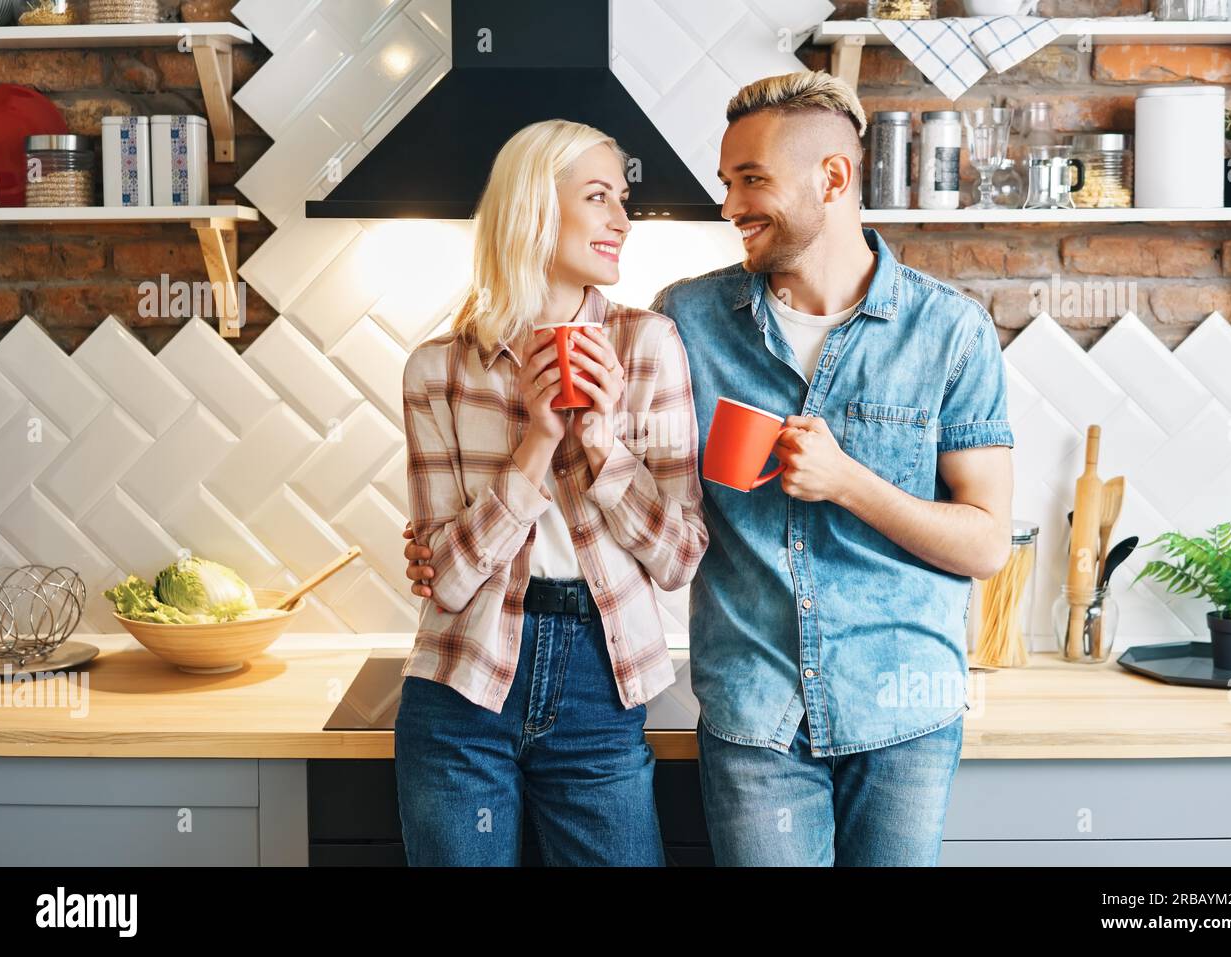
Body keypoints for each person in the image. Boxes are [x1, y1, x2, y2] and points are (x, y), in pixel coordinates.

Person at [408, 72, 1015, 867]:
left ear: (834, 177)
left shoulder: (951, 333)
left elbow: (987, 544)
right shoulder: (688, 320)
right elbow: (645, 517)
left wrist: (847, 481)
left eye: (751, 180)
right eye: (727, 182)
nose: (728, 205)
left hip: (901, 707)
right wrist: (521, 474)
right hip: (753, 709)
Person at [396, 119, 707, 867]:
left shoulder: (648, 345)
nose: (622, 220)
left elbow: (680, 556)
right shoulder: (436, 369)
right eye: (597, 197)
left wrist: (602, 445)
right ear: (534, 208)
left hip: (600, 682)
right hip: (461, 686)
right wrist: (536, 443)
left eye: (622, 198)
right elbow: (449, 580)